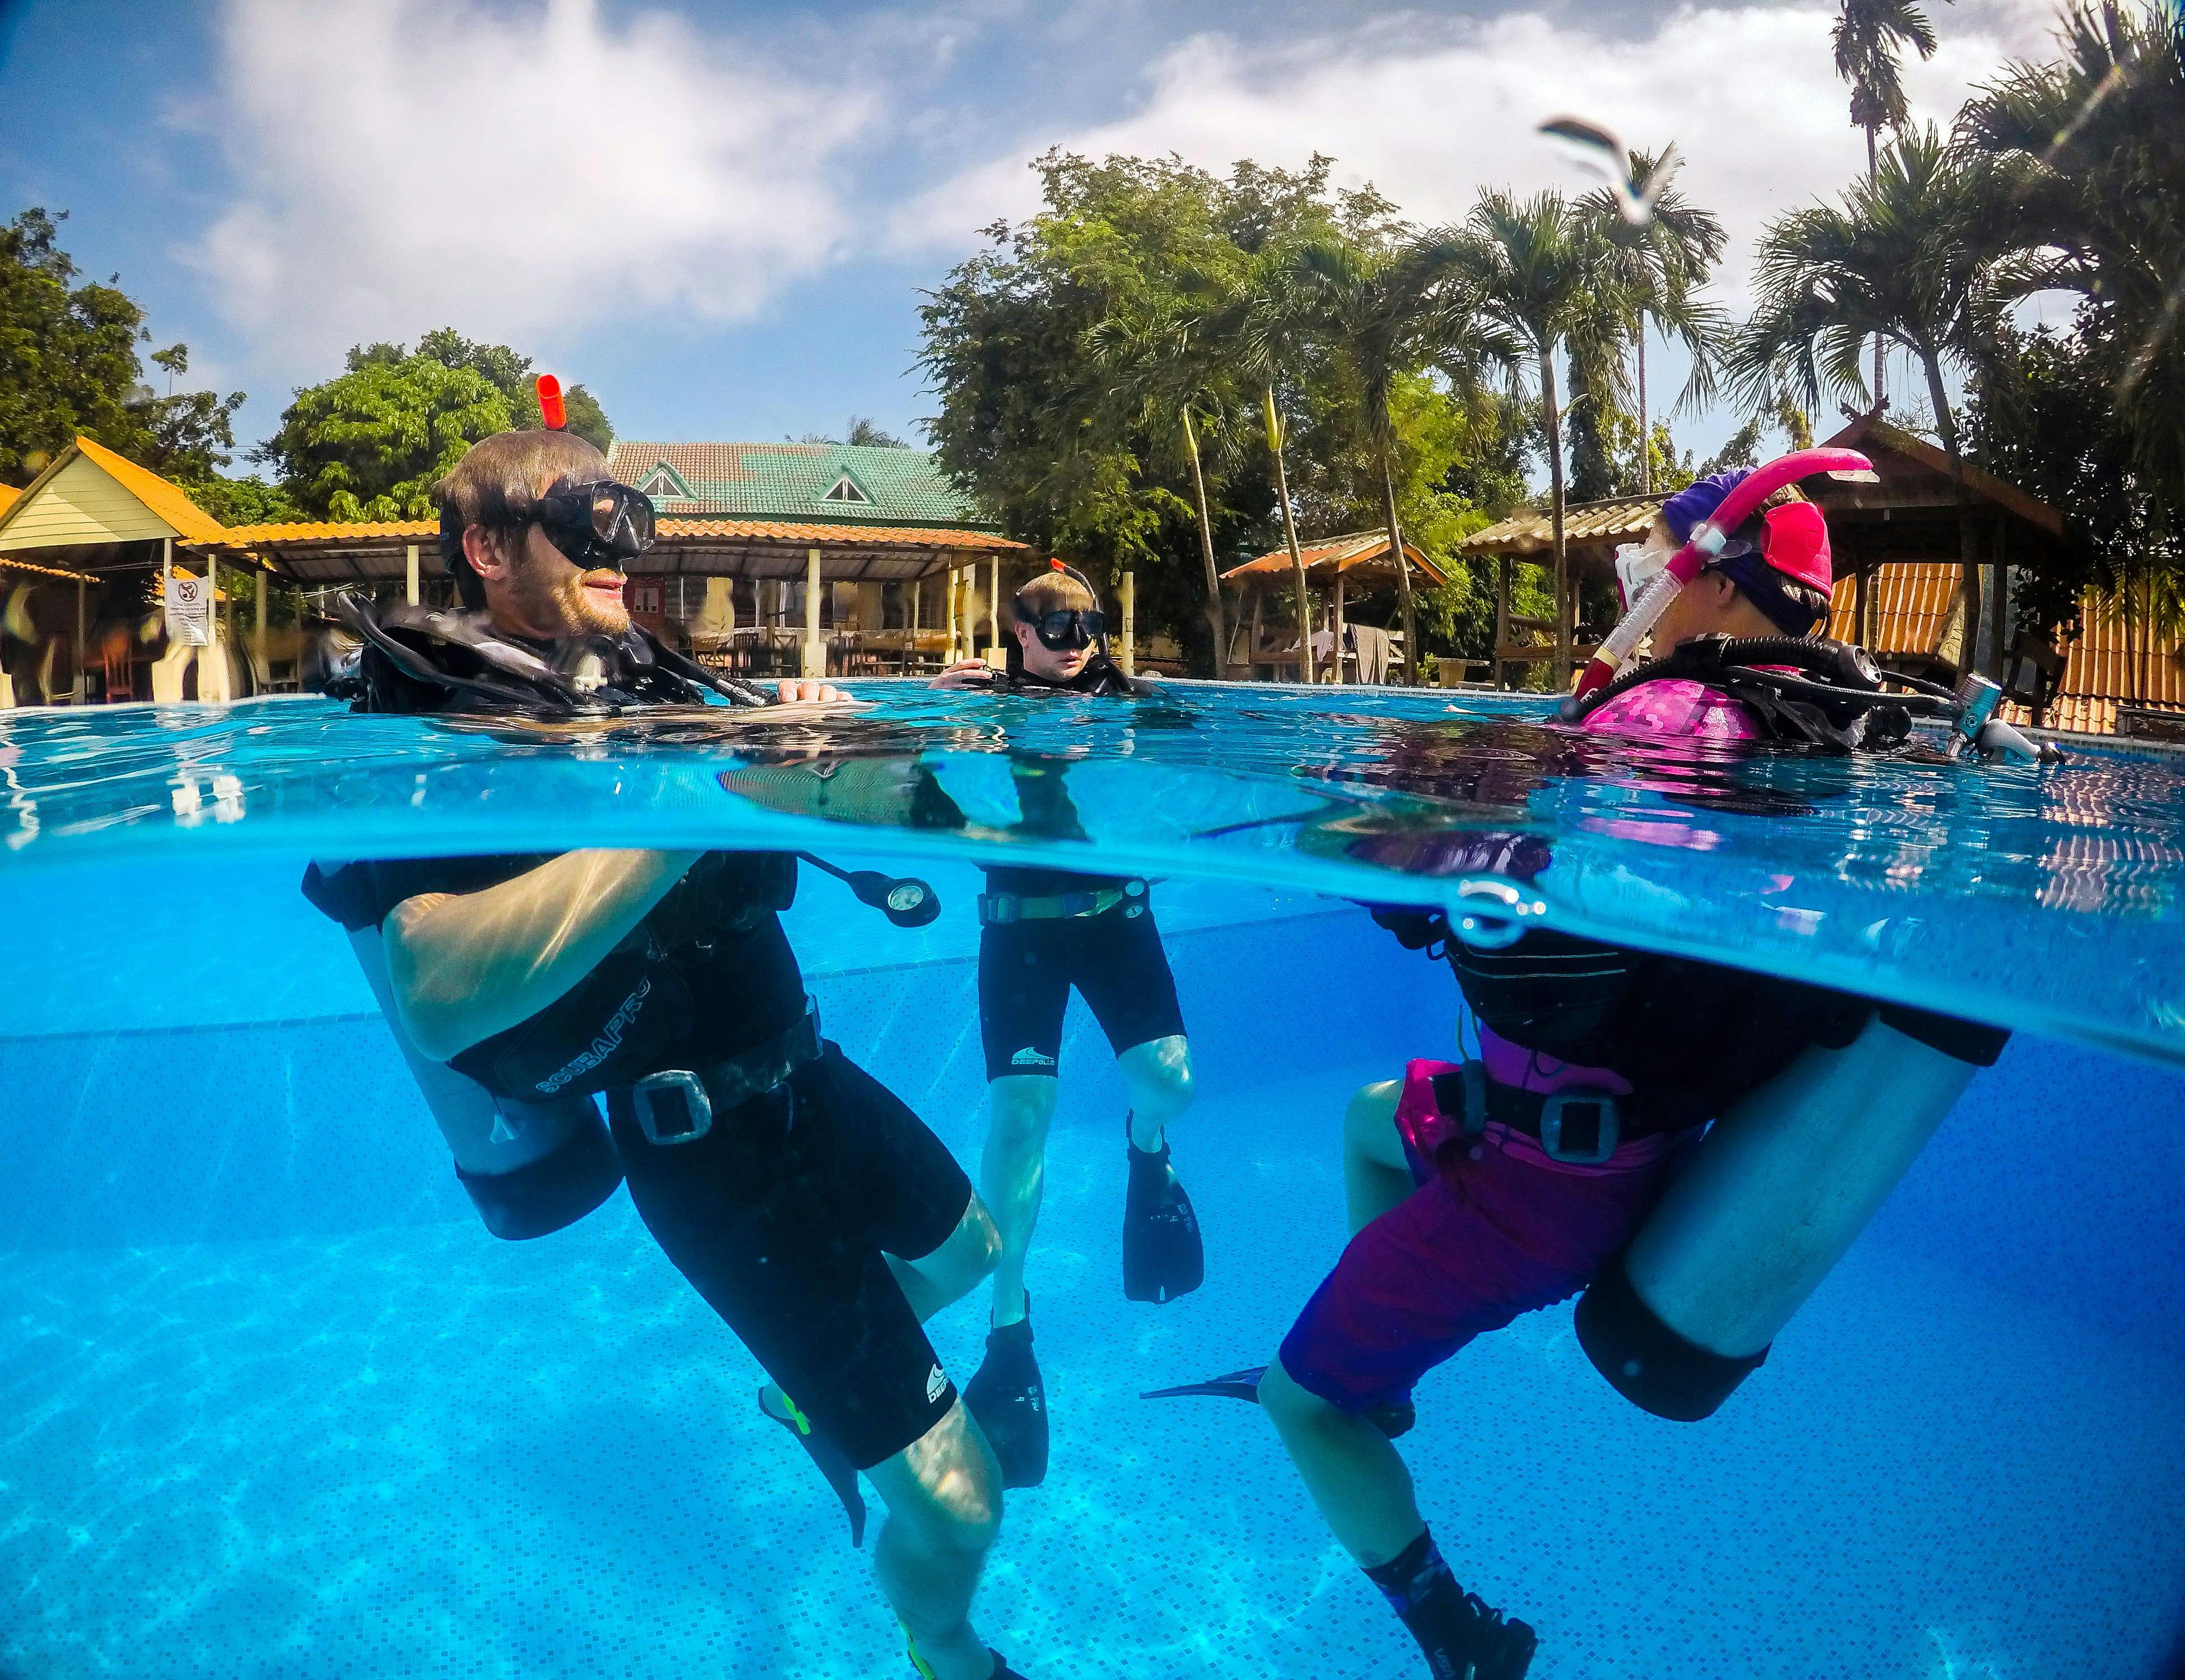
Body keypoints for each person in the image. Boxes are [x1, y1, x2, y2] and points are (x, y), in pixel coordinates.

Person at [1161, 469, 2010, 1679]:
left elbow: (1460, 853)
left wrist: (1394, 820)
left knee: (1302, 1407)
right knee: (1369, 1118)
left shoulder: (1662, 718)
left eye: (1651, 557)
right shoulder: (1823, 724)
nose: (1631, 579)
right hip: (1631, 1137)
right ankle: (1385, 1383)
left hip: (1540, 1190)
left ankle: (1456, 1637)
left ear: (1713, 581)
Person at [302, 427, 1029, 1680]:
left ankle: (805, 1392)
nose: (621, 544)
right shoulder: (444, 734)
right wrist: (719, 798)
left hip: (805, 1072)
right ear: (486, 550)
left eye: (630, 513)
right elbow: (438, 996)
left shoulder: (656, 690)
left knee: (970, 1254)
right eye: (584, 518)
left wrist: (837, 750)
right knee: (962, 1504)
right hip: (705, 1149)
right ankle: (947, 1649)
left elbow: (871, 804)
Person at [928, 563, 1200, 1489]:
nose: (1076, 642)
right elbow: (903, 760)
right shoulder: (981, 705)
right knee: (1017, 1124)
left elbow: (1201, 751)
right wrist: (930, 709)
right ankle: (1008, 1327)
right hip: (1020, 934)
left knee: (1171, 1084)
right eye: (1055, 627)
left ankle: (1147, 1147)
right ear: (1018, 631)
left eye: (1088, 625)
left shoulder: (1131, 702)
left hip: (1119, 919)